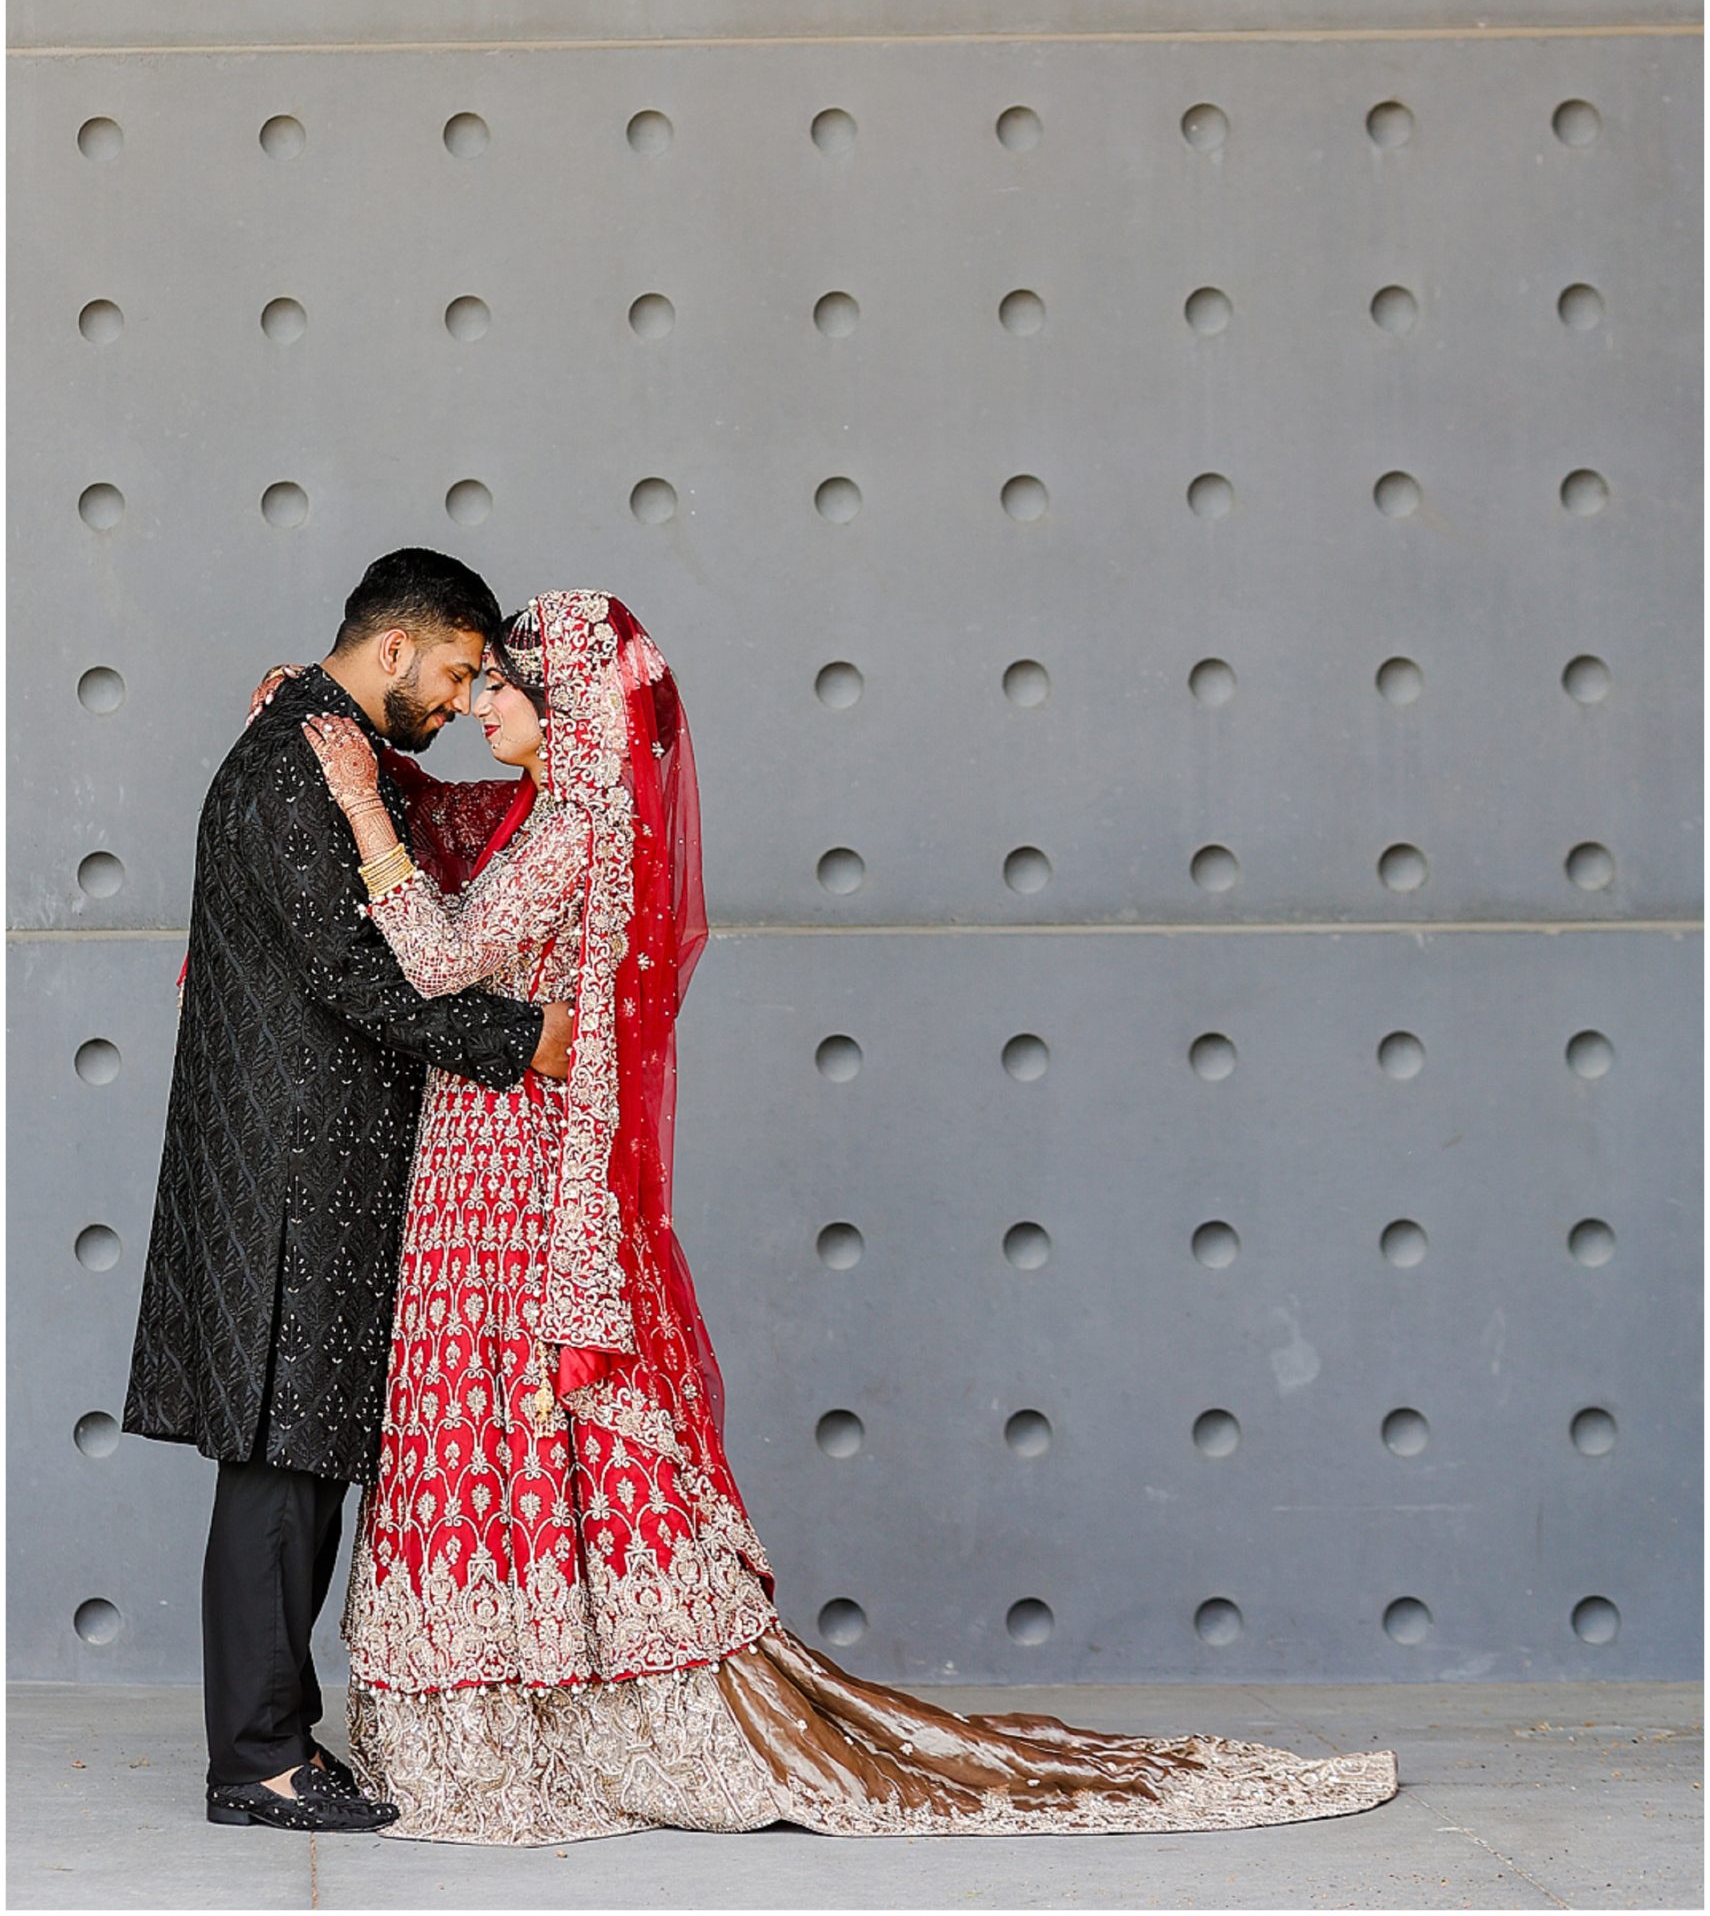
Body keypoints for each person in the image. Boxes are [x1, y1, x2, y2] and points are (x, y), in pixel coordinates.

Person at [287, 585, 1399, 1844]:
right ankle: (536, 1690)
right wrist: (349, 745)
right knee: (499, 1412)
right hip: (495, 1145)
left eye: (499, 684)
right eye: (473, 680)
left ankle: (522, 1717)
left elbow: (436, 957)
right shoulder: (561, 808)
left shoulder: (573, 826)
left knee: (496, 1403)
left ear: (567, 712)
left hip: (507, 1169)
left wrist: (360, 799)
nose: (476, 699)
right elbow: (458, 837)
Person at [122, 549, 579, 1835]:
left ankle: (273, 1740)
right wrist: (513, 1040)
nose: (457, 698)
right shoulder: (295, 768)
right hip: (286, 1173)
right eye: (451, 670)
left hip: (304, 1162)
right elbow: (348, 972)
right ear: (395, 647)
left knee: (299, 1458)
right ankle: (259, 1760)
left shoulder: (324, 749)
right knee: (278, 1459)